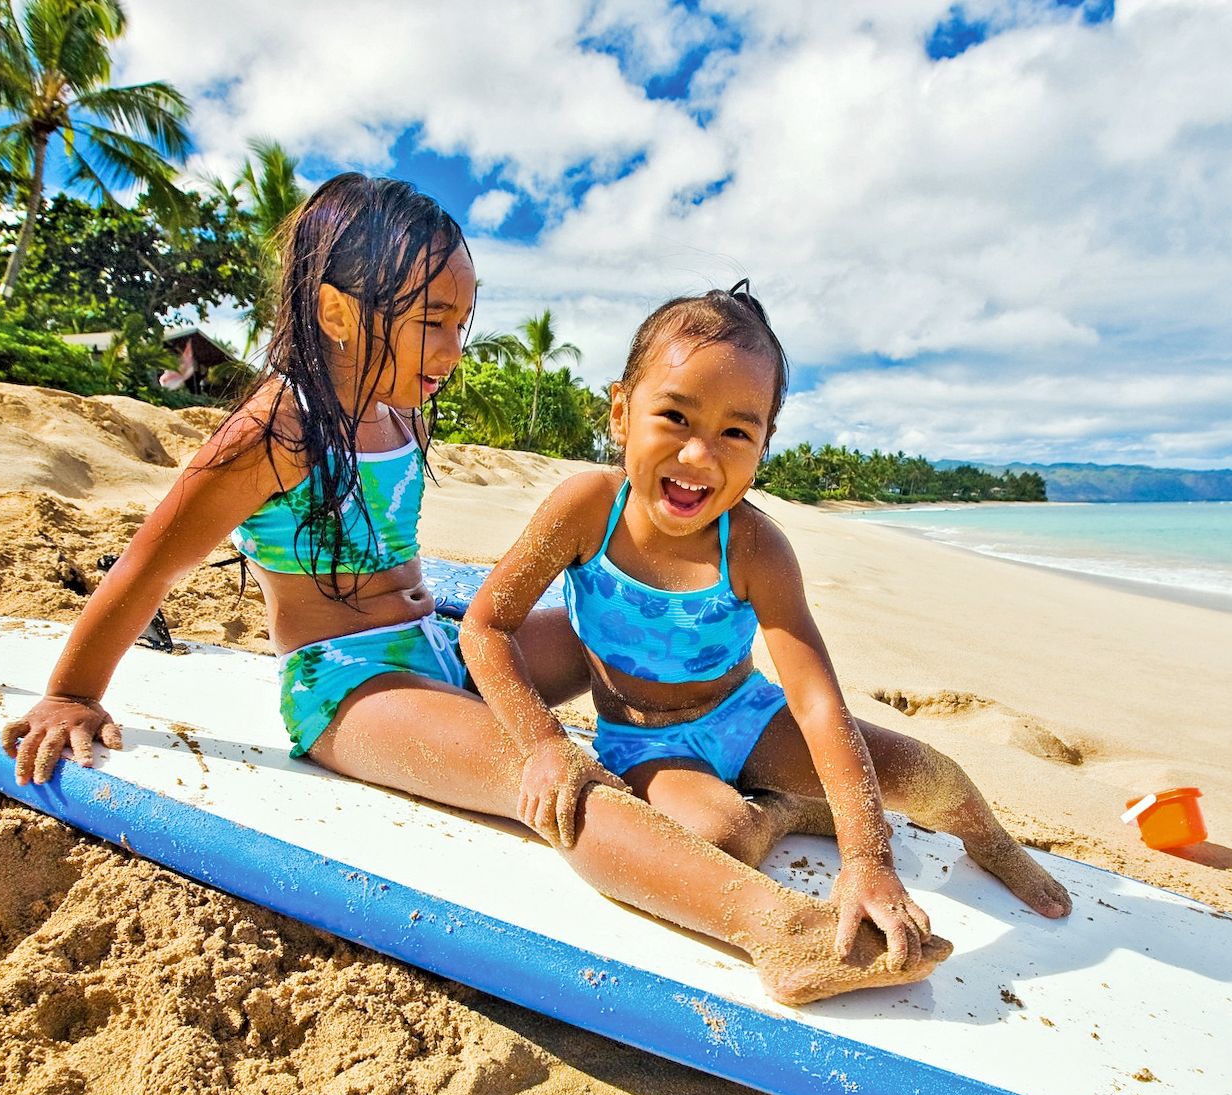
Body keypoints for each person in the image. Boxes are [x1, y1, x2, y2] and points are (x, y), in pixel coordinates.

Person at [0, 176, 946, 1005]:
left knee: (607, 630)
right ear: (335, 312)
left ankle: (717, 768)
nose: (452, 347)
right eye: (431, 322)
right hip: (348, 686)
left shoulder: (394, 401)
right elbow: (146, 567)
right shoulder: (272, 433)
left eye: (462, 320)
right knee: (542, 780)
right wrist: (74, 692)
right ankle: (775, 932)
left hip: (438, 647)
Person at [460, 284, 1074, 969]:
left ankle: (989, 841)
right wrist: (545, 744)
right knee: (713, 841)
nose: (699, 456)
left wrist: (866, 855)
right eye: (674, 417)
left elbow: (814, 700)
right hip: (641, 738)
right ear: (620, 411)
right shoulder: (584, 509)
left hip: (744, 716)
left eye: (734, 432)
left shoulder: (755, 548)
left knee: (926, 775)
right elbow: (484, 627)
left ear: (763, 445)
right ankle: (782, 811)